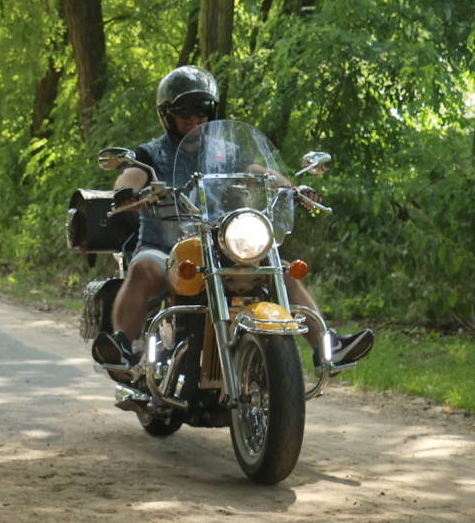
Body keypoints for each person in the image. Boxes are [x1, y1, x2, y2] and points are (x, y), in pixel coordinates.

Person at [92, 65, 374, 371]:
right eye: (185, 111)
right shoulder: (151, 154)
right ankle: (122, 345)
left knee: (278, 268)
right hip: (166, 249)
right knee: (142, 268)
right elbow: (130, 177)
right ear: (168, 115)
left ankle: (326, 346)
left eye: (202, 110)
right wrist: (126, 194)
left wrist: (292, 189)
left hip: (223, 246)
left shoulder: (226, 151)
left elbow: (258, 172)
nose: (195, 119)